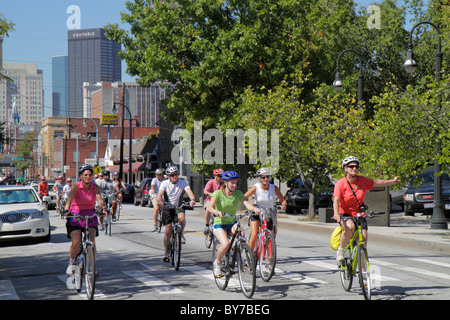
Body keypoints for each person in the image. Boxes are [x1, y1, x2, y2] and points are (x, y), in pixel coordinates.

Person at [333, 156, 400, 262]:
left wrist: (392, 182)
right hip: (344, 213)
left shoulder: (363, 181)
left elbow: (377, 183)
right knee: (349, 227)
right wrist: (336, 214)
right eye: (351, 166)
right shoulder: (341, 183)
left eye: (356, 166)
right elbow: (336, 200)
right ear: (345, 168)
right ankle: (340, 250)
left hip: (359, 213)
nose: (354, 168)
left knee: (363, 243)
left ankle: (364, 274)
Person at [207, 171, 260, 277]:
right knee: (225, 244)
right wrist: (215, 211)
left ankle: (237, 257)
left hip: (232, 222)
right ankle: (217, 262)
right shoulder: (218, 194)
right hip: (220, 224)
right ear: (226, 183)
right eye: (232, 183)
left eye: (236, 183)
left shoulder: (238, 194)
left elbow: (246, 203)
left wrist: (254, 209)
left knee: (241, 236)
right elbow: (209, 207)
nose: (234, 185)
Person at [64, 164, 106, 276]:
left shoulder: (95, 187)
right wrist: (66, 209)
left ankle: (91, 266)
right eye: (85, 174)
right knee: (76, 241)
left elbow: (99, 199)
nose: (88, 176)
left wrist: (104, 207)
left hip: (90, 215)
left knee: (92, 241)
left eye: (90, 175)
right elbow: (70, 199)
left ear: (93, 176)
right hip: (76, 215)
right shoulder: (76, 186)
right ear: (81, 176)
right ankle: (72, 261)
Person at [156, 166, 196, 262]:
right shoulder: (164, 183)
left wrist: (192, 200)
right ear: (168, 176)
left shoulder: (183, 182)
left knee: (181, 218)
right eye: (172, 175)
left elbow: (189, 192)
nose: (175, 176)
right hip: (167, 208)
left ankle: (181, 233)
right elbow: (159, 195)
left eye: (176, 174)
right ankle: (166, 252)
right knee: (168, 231)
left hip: (178, 207)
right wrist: (160, 201)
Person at [245, 167, 287, 252]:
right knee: (254, 234)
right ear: (260, 178)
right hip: (257, 211)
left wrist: (283, 205)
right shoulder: (256, 187)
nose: (266, 179)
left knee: (272, 234)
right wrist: (251, 206)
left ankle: (269, 259)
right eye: (263, 177)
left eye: (267, 177)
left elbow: (283, 200)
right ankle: (249, 254)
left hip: (269, 212)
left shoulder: (274, 188)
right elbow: (243, 198)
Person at [203, 168, 224, 234]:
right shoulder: (211, 182)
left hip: (220, 201)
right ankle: (207, 225)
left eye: (222, 176)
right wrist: (211, 194)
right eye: (219, 176)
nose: (221, 178)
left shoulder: (224, 183)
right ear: (215, 176)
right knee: (208, 209)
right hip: (210, 200)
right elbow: (205, 191)